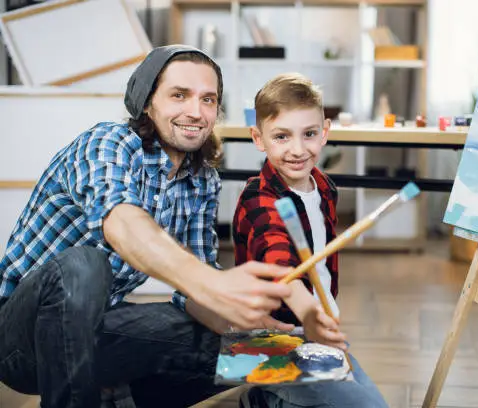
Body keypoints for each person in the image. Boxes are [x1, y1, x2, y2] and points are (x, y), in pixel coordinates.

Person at [0, 45, 295, 408]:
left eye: (208, 100)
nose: (196, 112)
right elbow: (123, 224)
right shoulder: (107, 143)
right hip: (18, 341)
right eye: (179, 95)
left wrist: (257, 327)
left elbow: (194, 295)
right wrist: (213, 283)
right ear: (145, 102)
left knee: (273, 354)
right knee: (83, 264)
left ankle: (123, 400)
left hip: (93, 334)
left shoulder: (202, 181)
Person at [232, 73, 389, 408]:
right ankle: (265, 395)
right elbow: (279, 268)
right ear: (258, 138)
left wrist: (319, 322)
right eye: (281, 136)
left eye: (309, 134)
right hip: (266, 345)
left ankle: (266, 398)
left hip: (314, 338)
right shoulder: (259, 199)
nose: (297, 150)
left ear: (325, 132)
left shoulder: (323, 186)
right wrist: (309, 315)